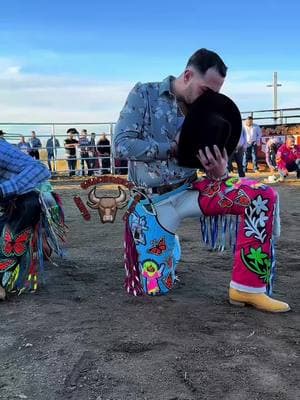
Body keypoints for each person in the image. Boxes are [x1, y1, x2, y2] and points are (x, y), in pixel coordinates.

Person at [113, 48, 289, 313]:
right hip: (151, 201)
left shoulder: (205, 110)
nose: (210, 99)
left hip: (189, 191)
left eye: (215, 94)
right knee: (154, 287)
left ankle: (247, 288)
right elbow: (121, 146)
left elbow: (210, 166)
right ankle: (167, 246)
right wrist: (172, 148)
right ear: (187, 75)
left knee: (261, 195)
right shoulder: (145, 93)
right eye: (206, 90)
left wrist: (219, 172)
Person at [0, 137, 66, 300]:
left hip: (15, 202)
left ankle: (4, 276)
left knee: (29, 204)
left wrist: (2, 190)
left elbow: (39, 169)